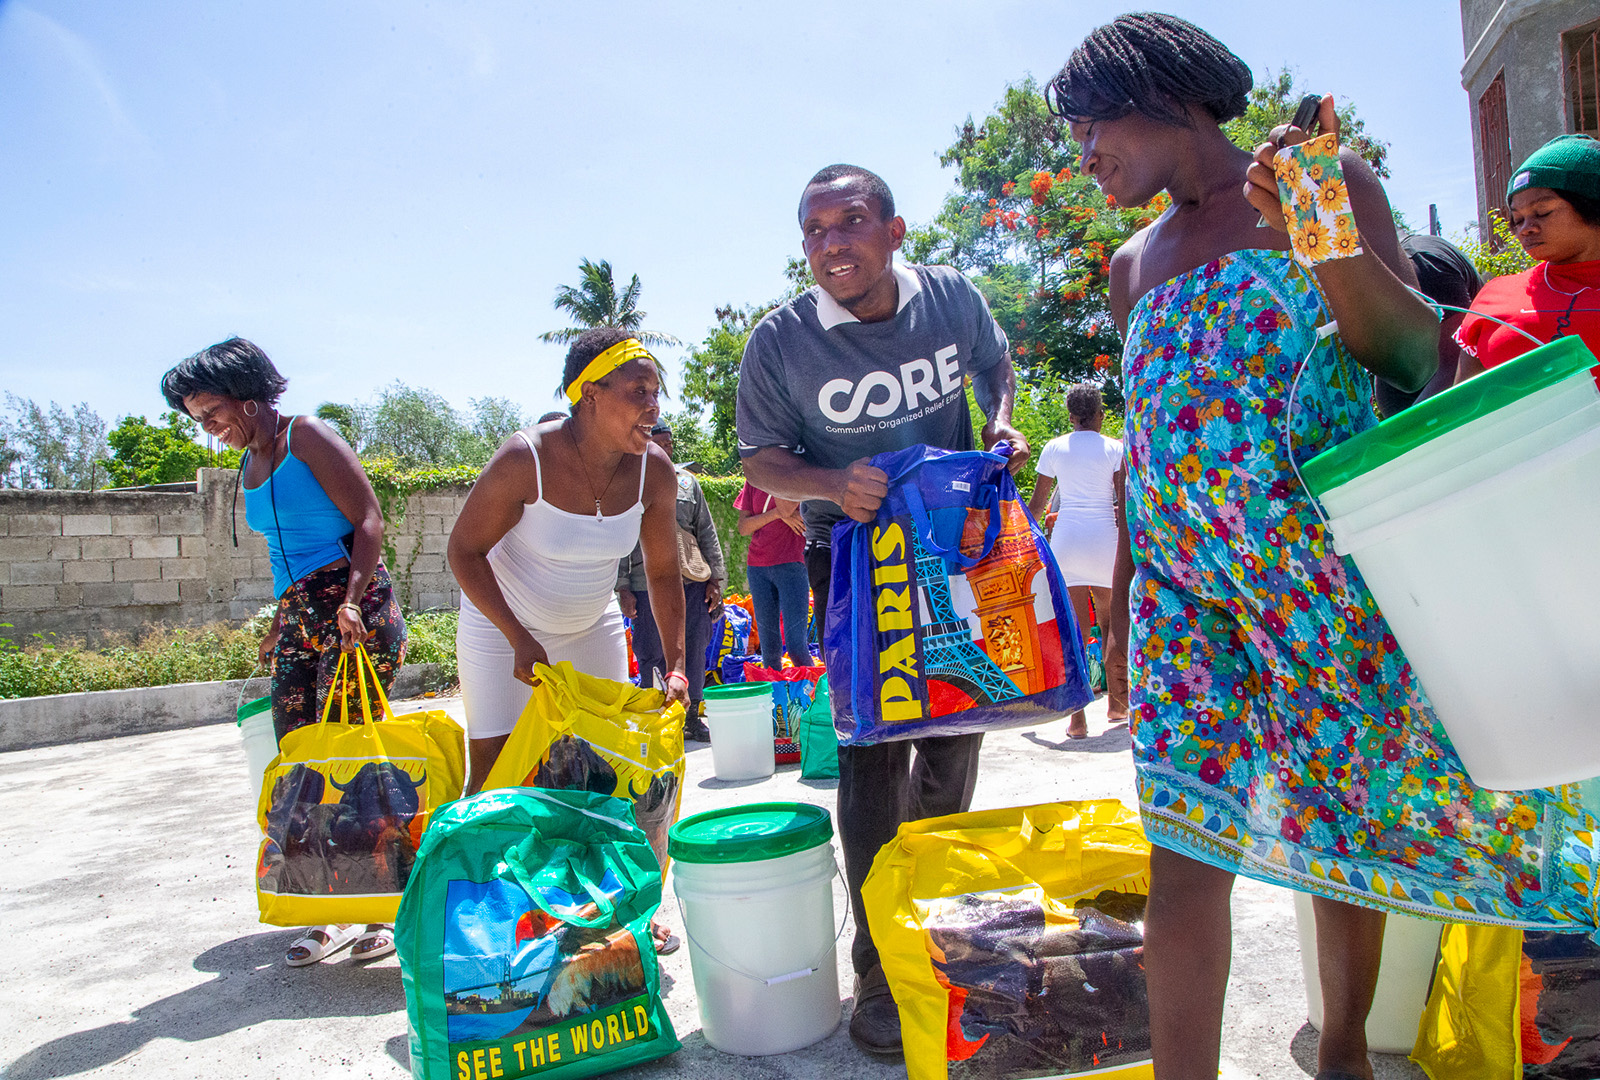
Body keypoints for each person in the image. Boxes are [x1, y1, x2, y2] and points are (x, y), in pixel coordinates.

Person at [1052, 14, 1600, 1080]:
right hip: (1185, 597)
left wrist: (1320, 234)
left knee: (1341, 831)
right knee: (1183, 841)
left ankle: (1343, 1052)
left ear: (1161, 92)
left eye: (1087, 125)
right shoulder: (1131, 265)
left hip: (1319, 581)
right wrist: (1123, 601)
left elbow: (1407, 351)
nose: (1082, 156)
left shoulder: (1317, 176)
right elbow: (1153, 457)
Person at [735, 163, 1029, 1058]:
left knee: (955, 738)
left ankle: (949, 944)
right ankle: (877, 971)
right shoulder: (779, 343)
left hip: (956, 543)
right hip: (855, 559)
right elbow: (758, 460)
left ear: (894, 231)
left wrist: (1003, 421)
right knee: (872, 756)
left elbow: (996, 365)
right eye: (815, 230)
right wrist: (831, 482)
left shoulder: (949, 299)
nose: (832, 245)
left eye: (850, 222)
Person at [162, 337, 407, 968]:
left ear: (246, 395)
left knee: (353, 756)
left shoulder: (310, 437)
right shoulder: (248, 464)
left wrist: (351, 601)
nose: (209, 428)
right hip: (300, 616)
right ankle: (325, 909)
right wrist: (280, 621)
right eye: (198, 419)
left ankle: (380, 905)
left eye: (211, 412)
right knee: (299, 758)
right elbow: (280, 553)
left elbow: (369, 520)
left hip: (355, 609)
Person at [447, 328, 690, 793]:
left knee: (602, 772)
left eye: (656, 393)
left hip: (591, 628)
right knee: (497, 777)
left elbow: (662, 573)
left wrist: (677, 664)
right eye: (638, 392)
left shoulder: (654, 471)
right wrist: (516, 636)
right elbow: (464, 549)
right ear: (590, 394)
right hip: (503, 634)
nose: (654, 407)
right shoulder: (526, 458)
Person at [1026, 381, 1129, 738]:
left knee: (1075, 630)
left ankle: (1078, 719)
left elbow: (1039, 505)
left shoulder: (1054, 448)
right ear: (1100, 415)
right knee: (1111, 622)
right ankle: (1118, 704)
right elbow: (1122, 502)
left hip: (1067, 539)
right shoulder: (1115, 448)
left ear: (1071, 417)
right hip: (1104, 538)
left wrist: (1024, 542)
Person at [1455, 134, 1600, 380]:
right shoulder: (1493, 298)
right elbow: (1466, 406)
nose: (1526, 228)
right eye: (1518, 219)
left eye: (1542, 212)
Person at [616, 418, 724, 742]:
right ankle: (655, 720)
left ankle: (691, 717)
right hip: (642, 583)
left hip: (690, 582)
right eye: (657, 442)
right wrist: (622, 586)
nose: (665, 448)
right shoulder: (627, 482)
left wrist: (716, 578)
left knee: (693, 648)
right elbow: (619, 539)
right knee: (651, 653)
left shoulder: (689, 484)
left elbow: (706, 532)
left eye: (669, 443)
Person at [1373, 234, 1483, 414]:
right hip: (1422, 375)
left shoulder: (1428, 272)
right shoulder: (1383, 288)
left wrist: (1410, 431)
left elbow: (1457, 364)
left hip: (1467, 383)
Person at [734, 478, 811, 670]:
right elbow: (744, 527)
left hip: (792, 565)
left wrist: (779, 513)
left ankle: (819, 695)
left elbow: (790, 509)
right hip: (757, 567)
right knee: (769, 651)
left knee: (796, 647)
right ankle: (775, 698)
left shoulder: (797, 476)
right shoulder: (753, 481)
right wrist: (776, 514)